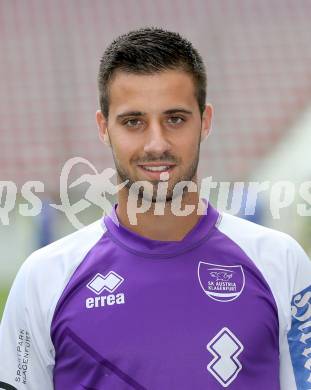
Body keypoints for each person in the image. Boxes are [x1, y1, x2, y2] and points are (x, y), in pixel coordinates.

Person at [0, 27, 310, 390]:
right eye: (134, 122)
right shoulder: (44, 278)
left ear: (205, 121)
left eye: (175, 119)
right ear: (104, 128)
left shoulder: (281, 263)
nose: (156, 143)